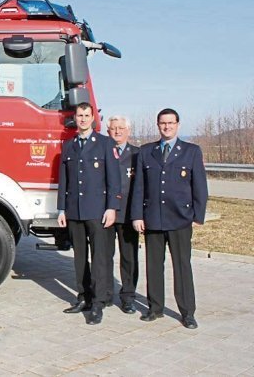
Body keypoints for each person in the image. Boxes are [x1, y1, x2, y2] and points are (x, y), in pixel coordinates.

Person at [131, 108, 208, 329]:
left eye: (171, 123)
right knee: (154, 266)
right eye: (163, 123)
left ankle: (187, 312)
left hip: (180, 219)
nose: (167, 127)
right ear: (158, 125)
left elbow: (199, 186)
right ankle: (155, 308)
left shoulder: (191, 151)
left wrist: (198, 215)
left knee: (182, 266)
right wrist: (137, 215)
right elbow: (139, 187)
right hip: (153, 218)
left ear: (178, 125)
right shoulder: (146, 151)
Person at [57, 102, 120, 325]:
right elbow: (64, 180)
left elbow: (114, 179)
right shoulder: (69, 146)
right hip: (75, 210)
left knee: (99, 259)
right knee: (80, 258)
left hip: (97, 211)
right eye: (79, 115)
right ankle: (83, 297)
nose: (83, 119)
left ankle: (98, 303)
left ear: (93, 118)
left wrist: (112, 207)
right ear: (75, 118)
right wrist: (62, 209)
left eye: (86, 115)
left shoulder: (105, 144)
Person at [106, 115, 139, 314]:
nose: (117, 132)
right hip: (107, 214)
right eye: (113, 128)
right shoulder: (103, 152)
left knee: (129, 258)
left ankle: (128, 297)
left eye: (121, 128)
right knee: (105, 256)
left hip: (128, 215)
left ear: (128, 131)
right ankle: (106, 293)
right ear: (108, 131)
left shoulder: (137, 154)